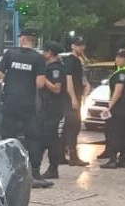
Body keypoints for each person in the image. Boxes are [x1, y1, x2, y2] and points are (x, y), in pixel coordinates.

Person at [0, 28, 53, 189]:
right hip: (27, 104)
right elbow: (40, 84)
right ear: (34, 41)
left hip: (10, 102)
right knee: (32, 137)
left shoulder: (10, 54)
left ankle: (7, 171)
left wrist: (10, 75)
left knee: (7, 137)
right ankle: (35, 173)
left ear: (22, 39)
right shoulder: (38, 58)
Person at [32, 43, 67, 180]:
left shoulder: (55, 69)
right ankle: (40, 167)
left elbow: (56, 88)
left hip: (53, 108)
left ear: (50, 53)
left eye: (45, 51)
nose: (43, 54)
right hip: (46, 107)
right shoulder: (49, 67)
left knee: (51, 138)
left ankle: (53, 168)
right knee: (44, 137)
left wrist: (43, 78)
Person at [101, 48, 125, 169]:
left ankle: (113, 159)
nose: (118, 59)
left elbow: (118, 91)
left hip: (120, 107)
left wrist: (109, 106)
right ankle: (123, 159)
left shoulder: (122, 73)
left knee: (115, 133)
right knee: (124, 133)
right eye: (117, 56)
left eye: (121, 57)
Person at [63, 36, 88, 166]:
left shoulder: (78, 60)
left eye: (82, 45)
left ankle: (61, 154)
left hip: (77, 96)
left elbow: (80, 78)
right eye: (78, 45)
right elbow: (68, 80)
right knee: (73, 125)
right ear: (73, 46)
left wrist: (86, 85)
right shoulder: (70, 60)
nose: (81, 47)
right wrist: (73, 97)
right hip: (71, 98)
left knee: (70, 126)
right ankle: (73, 156)